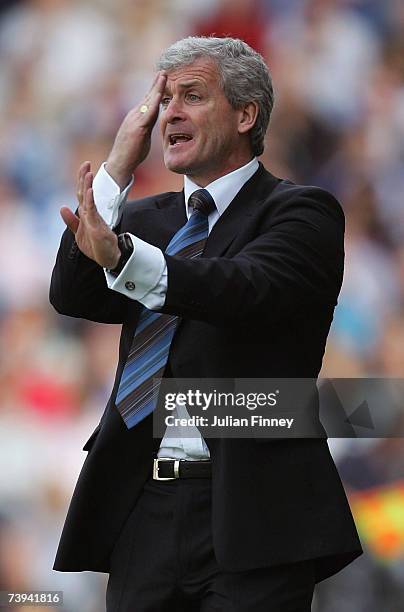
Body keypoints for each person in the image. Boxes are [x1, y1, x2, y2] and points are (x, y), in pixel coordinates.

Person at [50, 36, 362, 612]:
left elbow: (239, 288)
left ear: (246, 115)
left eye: (192, 96)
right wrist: (118, 165)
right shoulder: (144, 219)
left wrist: (122, 257)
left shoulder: (301, 212)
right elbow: (71, 294)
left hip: (254, 509)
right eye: (164, 101)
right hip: (142, 504)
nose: (171, 112)